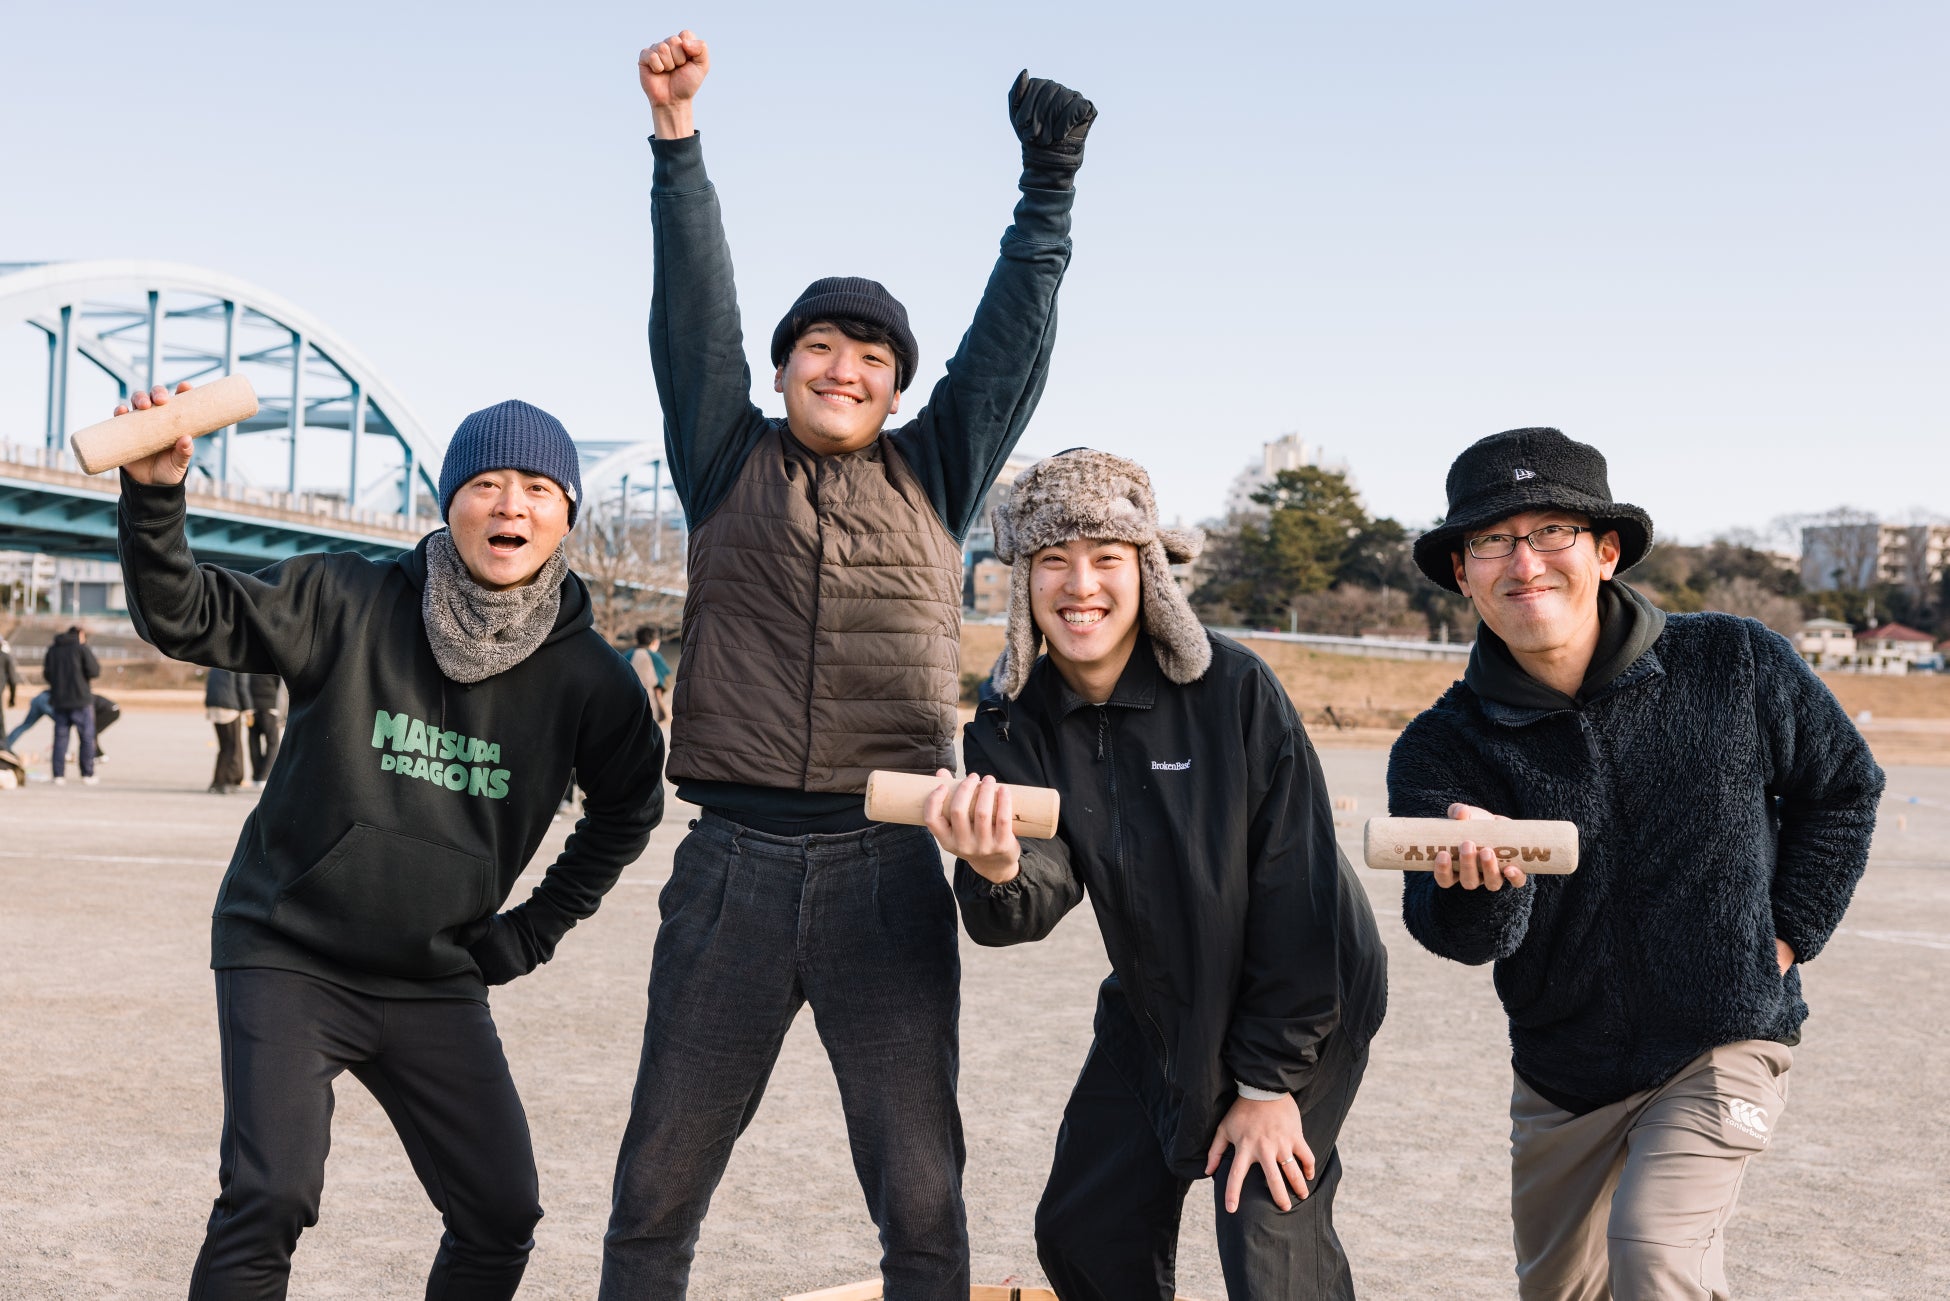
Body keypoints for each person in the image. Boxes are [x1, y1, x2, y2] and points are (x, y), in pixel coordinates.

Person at [602, 31, 1094, 1299]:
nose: (845, 367)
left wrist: (1050, 187)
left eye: (873, 359)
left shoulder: (933, 478)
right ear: (781, 371)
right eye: (822, 348)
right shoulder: (723, 459)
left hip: (887, 864)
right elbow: (691, 305)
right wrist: (677, 145)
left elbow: (1010, 341)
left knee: (922, 1197)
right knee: (657, 1187)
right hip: (732, 873)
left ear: (892, 392)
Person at [112, 383, 665, 1300]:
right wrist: (155, 497)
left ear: (567, 514)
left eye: (536, 486)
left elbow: (628, 809)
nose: (510, 503)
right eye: (486, 482)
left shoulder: (593, 680)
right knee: (269, 1193)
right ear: (449, 503)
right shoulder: (346, 596)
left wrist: (532, 930)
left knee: (500, 1212)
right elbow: (185, 614)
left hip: (432, 976)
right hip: (288, 950)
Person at [1387, 427, 1883, 1301]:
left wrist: (1785, 938)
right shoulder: (1441, 746)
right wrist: (1485, 883)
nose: (1524, 562)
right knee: (1561, 1292)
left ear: (1605, 551)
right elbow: (1458, 936)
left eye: (1551, 533)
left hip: (1721, 1038)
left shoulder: (1733, 661)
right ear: (1463, 573)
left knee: (1657, 1255)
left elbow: (1844, 788)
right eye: (1493, 541)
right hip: (1563, 1072)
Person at [926, 451, 1388, 1301]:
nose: (1080, 584)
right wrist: (994, 864)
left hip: (1299, 995)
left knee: (1265, 1232)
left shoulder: (1233, 689)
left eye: (1106, 557)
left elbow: (1300, 897)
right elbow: (1020, 905)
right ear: (1023, 579)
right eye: (1054, 561)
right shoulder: (1010, 715)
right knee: (1087, 1226)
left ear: (1147, 570)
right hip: (1157, 991)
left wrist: (1267, 1084)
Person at [42, 625, 99, 786]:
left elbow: (46, 674)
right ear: (80, 634)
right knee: (87, 737)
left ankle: (58, 775)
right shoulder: (81, 648)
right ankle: (87, 774)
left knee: (60, 738)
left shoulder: (53, 650)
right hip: (81, 700)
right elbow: (94, 671)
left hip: (59, 700)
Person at [204, 667, 249, 793]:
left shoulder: (216, 665)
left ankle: (217, 782)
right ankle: (226, 782)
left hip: (214, 706)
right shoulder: (239, 665)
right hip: (229, 707)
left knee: (224, 747)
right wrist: (248, 709)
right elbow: (242, 687)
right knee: (232, 746)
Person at [625, 626, 670, 723]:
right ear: (655, 642)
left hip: (626, 703)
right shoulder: (655, 657)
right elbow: (666, 681)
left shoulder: (626, 655)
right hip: (649, 703)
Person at [246, 671, 283, 786]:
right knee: (273, 743)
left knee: (254, 743)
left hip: (252, 708)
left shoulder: (250, 667)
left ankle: (256, 776)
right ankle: (264, 776)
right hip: (269, 708)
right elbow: (281, 690)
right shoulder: (273, 667)